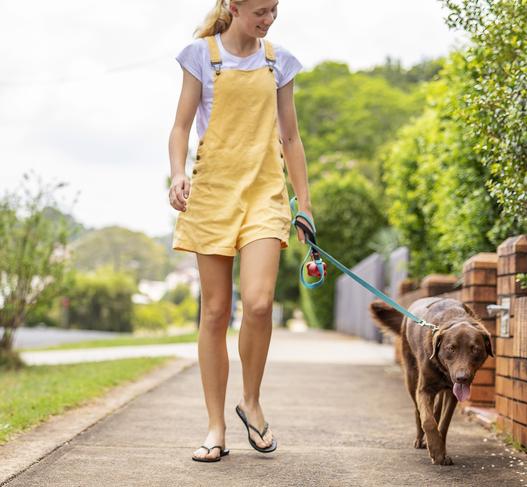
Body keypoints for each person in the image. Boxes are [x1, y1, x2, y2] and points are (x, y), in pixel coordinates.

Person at [167, 0, 313, 463]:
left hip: (265, 194)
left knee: (259, 302)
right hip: (212, 193)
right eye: (259, 12)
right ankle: (215, 427)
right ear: (233, 7)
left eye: (274, 10)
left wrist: (303, 205)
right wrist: (176, 174)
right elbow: (180, 127)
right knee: (214, 312)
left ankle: (251, 401)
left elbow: (290, 138)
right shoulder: (200, 56)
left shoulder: (279, 62)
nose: (268, 20)